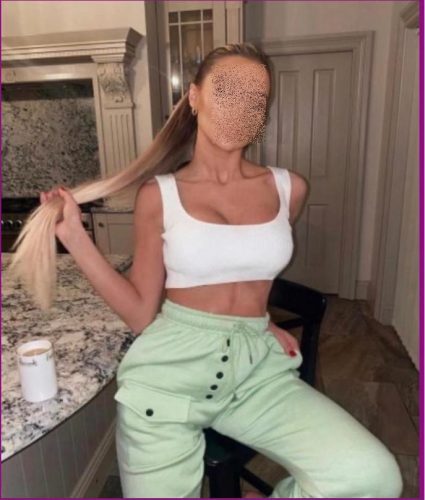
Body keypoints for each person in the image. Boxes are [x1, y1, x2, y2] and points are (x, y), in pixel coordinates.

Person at [19, 43, 402, 498]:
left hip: (256, 375)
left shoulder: (289, 188)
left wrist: (259, 321)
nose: (240, 108)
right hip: (166, 383)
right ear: (195, 96)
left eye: (255, 99)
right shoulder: (158, 195)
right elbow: (140, 313)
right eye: (227, 92)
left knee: (373, 476)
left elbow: (249, 265)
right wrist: (74, 237)